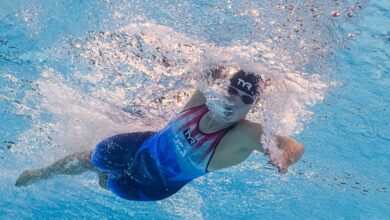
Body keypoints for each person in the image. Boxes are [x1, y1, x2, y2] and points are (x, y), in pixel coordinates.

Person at [15, 68, 304, 201]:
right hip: (143, 146)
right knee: (99, 154)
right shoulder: (201, 102)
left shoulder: (238, 136)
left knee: (113, 183)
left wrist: (284, 156)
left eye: (245, 99)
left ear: (252, 107)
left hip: (150, 185)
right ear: (223, 90)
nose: (233, 101)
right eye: (232, 91)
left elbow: (289, 144)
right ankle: (42, 172)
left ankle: (103, 178)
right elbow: (213, 66)